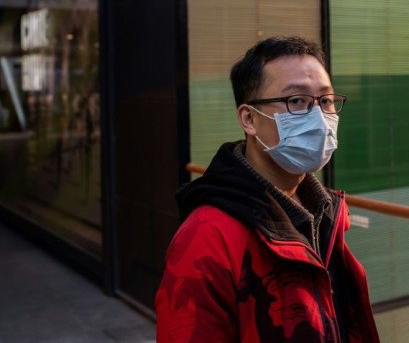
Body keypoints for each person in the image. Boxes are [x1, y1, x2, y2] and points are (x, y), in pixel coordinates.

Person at [155, 36, 379, 342]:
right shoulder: (207, 236)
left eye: (325, 100)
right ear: (249, 119)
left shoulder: (326, 212)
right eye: (296, 101)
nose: (319, 117)